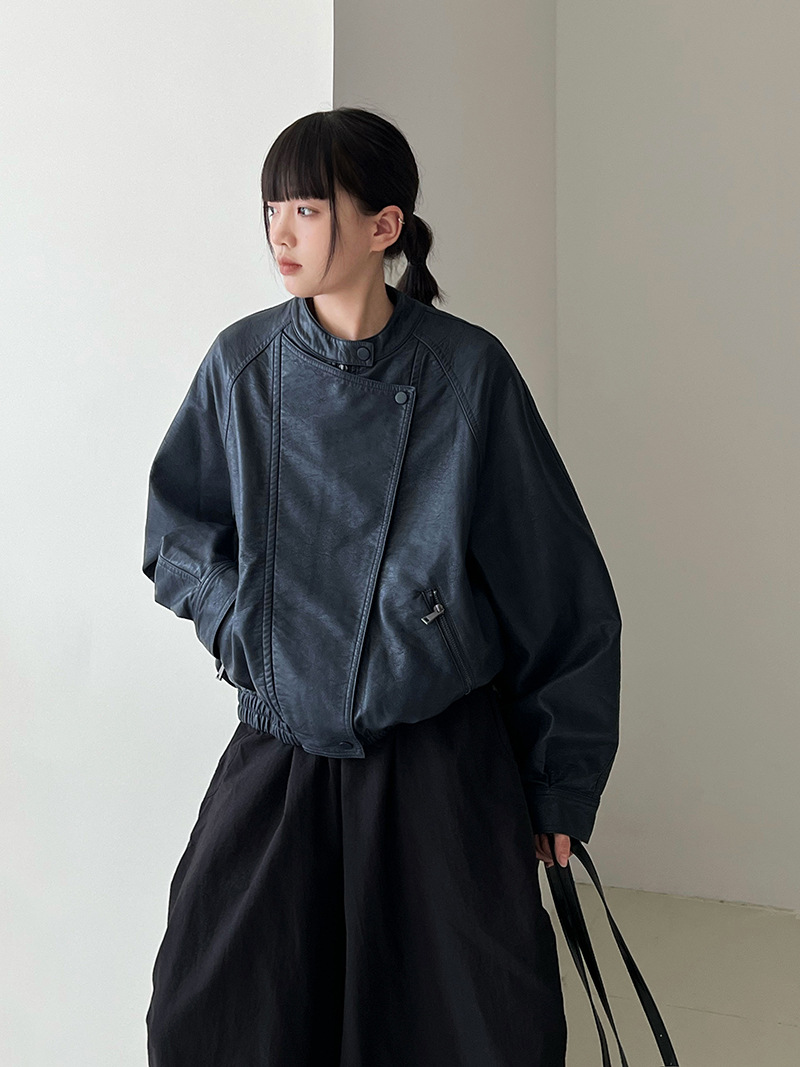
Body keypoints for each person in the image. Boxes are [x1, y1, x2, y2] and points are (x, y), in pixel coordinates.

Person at [142, 106, 621, 1066]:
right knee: (221, 1016)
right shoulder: (243, 363)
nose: (280, 233)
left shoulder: (467, 372)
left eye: (307, 209)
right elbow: (177, 536)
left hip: (440, 761)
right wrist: (251, 629)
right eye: (272, 208)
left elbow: (555, 585)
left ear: (382, 226)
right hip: (280, 753)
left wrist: (559, 782)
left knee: (464, 1028)